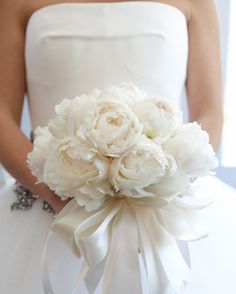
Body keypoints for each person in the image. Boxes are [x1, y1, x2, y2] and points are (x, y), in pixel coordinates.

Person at [0, 0, 235, 293]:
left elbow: (210, 113)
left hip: (166, 208)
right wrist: (67, 199)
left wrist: (165, 188)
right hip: (48, 205)